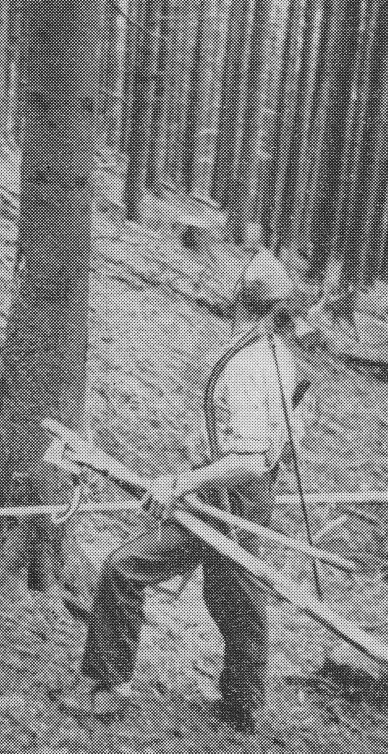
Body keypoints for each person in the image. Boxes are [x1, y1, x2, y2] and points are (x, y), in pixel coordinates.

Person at [59, 247, 303, 736]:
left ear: (248, 305)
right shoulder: (276, 356)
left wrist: (180, 483)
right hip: (239, 492)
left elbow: (252, 456)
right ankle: (241, 703)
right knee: (230, 595)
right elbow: (282, 441)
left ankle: (117, 689)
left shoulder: (254, 366)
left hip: (233, 498)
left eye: (243, 303)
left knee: (135, 570)